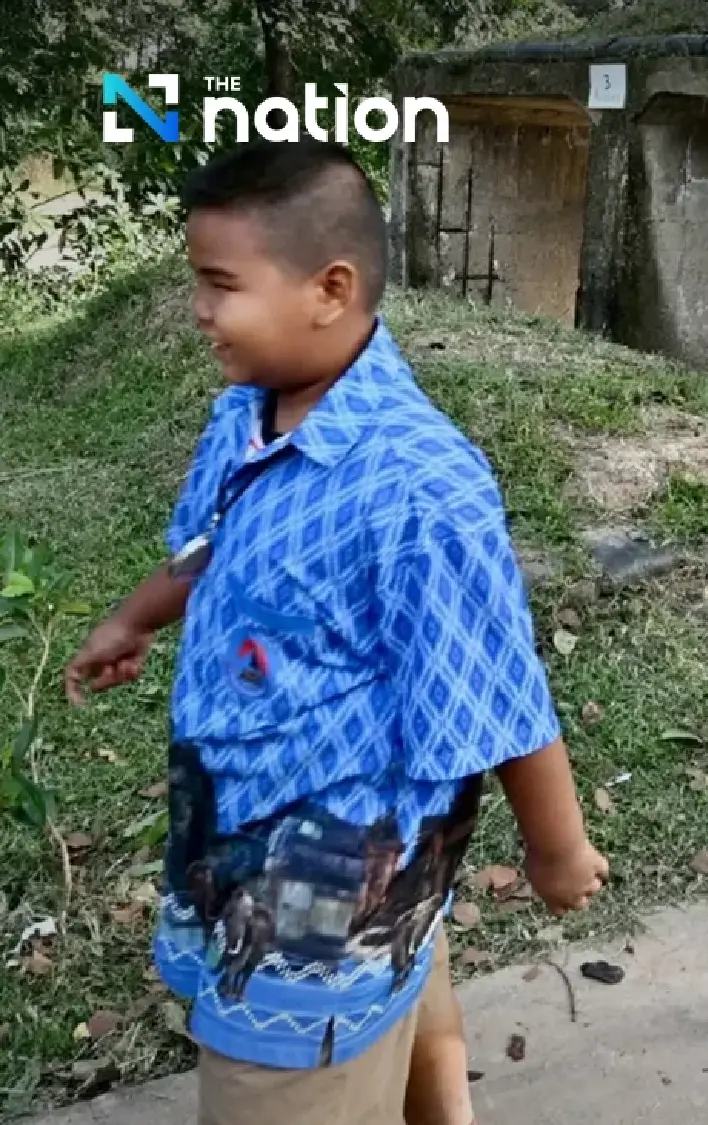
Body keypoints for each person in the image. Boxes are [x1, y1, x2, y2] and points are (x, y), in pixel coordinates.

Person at [61, 141, 608, 1125]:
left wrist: (556, 851)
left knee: (289, 1079)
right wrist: (134, 617)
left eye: (220, 284)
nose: (198, 310)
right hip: (249, 832)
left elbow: (496, 693)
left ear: (330, 288)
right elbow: (211, 544)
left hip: (323, 899)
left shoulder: (418, 491)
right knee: (414, 1014)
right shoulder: (245, 414)